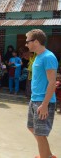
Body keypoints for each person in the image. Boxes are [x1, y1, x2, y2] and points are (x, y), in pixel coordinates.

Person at [25, 29, 58, 158]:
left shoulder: (48, 57)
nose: (26, 44)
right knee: (31, 127)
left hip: (43, 101)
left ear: (36, 42)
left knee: (40, 133)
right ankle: (47, 155)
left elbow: (52, 82)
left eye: (28, 41)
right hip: (34, 99)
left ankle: (45, 156)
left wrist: (44, 104)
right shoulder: (38, 56)